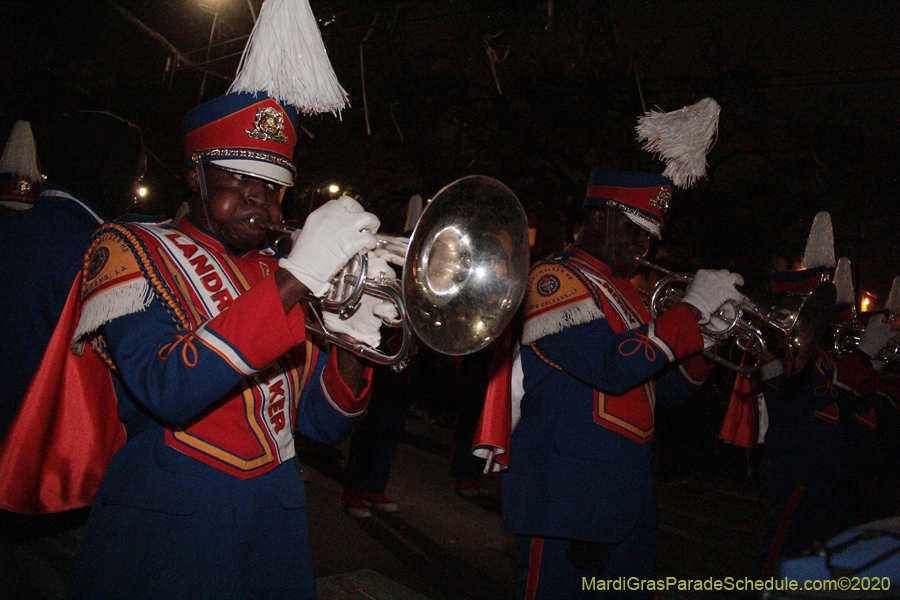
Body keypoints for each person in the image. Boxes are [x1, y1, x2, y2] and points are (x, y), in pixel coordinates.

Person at [66, 91, 392, 599]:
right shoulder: (132, 248)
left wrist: (354, 337)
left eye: (273, 185)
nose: (257, 197)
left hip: (274, 530)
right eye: (238, 177)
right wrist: (298, 277)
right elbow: (168, 388)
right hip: (166, 530)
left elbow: (322, 426)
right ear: (195, 173)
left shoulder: (279, 272)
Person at [500, 169, 744, 599]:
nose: (643, 245)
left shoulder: (631, 295)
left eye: (649, 236)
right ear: (599, 220)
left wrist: (707, 338)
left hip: (628, 500)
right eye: (635, 230)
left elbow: (665, 394)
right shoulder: (553, 279)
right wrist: (688, 313)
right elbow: (610, 369)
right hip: (566, 499)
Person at [0, 111, 145, 600]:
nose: (137, 185)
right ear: (109, 170)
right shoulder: (102, 255)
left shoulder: (12, 233)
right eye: (136, 172)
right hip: (50, 486)